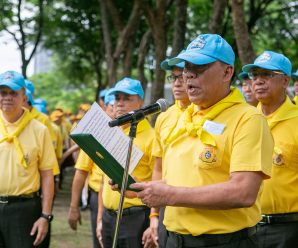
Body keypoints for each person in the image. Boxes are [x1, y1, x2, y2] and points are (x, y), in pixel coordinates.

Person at [130, 34, 274, 248]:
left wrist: (170, 195)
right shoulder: (182, 118)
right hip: (174, 239)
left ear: (227, 72)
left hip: (224, 242)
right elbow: (179, 181)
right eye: (186, 68)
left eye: (199, 68)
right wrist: (139, 187)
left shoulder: (248, 119)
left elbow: (243, 192)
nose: (188, 75)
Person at [242, 51, 298, 247]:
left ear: (285, 81)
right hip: (245, 228)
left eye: (267, 75)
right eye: (255, 75)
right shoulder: (244, 121)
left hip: (288, 231)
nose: (258, 81)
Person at [0, 71, 57, 247]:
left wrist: (45, 216)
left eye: (13, 93)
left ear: (24, 97)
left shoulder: (39, 130)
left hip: (24, 209)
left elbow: (48, 175)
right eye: (3, 92)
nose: (7, 97)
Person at [97, 77, 156, 248]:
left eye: (127, 98)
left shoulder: (152, 137)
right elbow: (103, 182)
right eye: (117, 98)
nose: (120, 104)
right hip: (109, 217)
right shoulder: (113, 134)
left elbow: (159, 182)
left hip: (136, 217)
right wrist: (100, 219)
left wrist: (154, 220)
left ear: (140, 102)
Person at [149, 52, 191, 248]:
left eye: (182, 77)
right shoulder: (164, 117)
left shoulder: (209, 115)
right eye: (173, 77)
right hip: (167, 208)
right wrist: (154, 214)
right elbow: (158, 167)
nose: (177, 83)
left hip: (197, 207)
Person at [68, 150, 104, 248]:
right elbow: (81, 171)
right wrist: (73, 207)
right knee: (100, 242)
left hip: (134, 202)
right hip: (98, 198)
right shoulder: (95, 136)